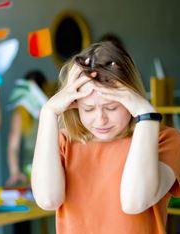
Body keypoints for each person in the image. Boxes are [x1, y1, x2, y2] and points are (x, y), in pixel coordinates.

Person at [31, 41, 180, 234]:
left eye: (111, 107)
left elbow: (135, 201)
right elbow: (48, 200)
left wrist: (146, 114)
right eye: (88, 108)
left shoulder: (165, 140)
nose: (100, 119)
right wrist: (48, 112)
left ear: (131, 99)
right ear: (74, 104)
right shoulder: (64, 141)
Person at [6, 70, 48, 187]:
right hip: (30, 168)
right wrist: (15, 171)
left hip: (51, 165)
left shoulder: (53, 111)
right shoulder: (19, 114)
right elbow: (13, 147)